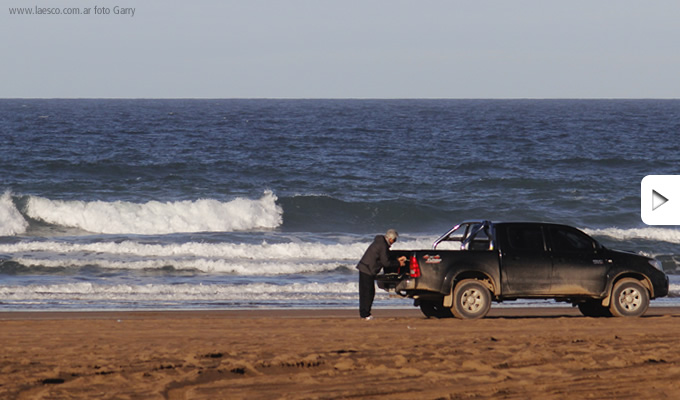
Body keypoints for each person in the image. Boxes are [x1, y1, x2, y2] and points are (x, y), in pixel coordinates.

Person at [356, 229, 407, 320]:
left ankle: (364, 313)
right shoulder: (383, 245)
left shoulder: (380, 242)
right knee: (368, 293)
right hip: (367, 269)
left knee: (365, 292)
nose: (394, 242)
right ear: (390, 238)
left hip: (364, 267)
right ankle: (366, 314)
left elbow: (385, 257)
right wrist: (398, 263)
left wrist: (397, 260)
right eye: (394, 240)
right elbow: (386, 262)